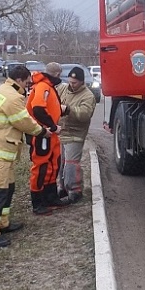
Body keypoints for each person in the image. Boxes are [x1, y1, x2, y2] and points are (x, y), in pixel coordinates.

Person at [0, 64, 48, 248]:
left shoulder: (5, 90)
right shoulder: (12, 97)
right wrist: (43, 132)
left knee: (7, 188)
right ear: (19, 80)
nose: (28, 85)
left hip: (2, 151)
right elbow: (23, 122)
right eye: (26, 82)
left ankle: (2, 223)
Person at [26, 61, 68, 214]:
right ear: (57, 74)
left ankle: (50, 198)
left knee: (53, 165)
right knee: (41, 167)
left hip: (50, 134)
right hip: (42, 134)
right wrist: (52, 126)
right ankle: (38, 203)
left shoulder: (48, 87)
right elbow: (38, 110)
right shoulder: (43, 87)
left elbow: (48, 108)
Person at [56, 66, 96, 204]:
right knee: (61, 163)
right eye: (70, 82)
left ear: (82, 82)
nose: (71, 85)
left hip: (75, 134)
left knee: (71, 164)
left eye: (75, 83)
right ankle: (62, 188)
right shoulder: (63, 89)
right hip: (61, 132)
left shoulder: (88, 96)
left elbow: (85, 114)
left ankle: (75, 191)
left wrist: (68, 110)